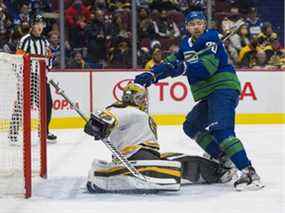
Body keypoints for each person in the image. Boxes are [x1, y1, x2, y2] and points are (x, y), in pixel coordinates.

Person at [133, 11, 264, 191]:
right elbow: (171, 62)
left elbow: (206, 69)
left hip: (223, 88)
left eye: (199, 23)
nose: (196, 26)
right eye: (192, 23)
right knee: (191, 126)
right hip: (209, 93)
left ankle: (249, 172)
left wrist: (182, 67)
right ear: (187, 27)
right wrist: (153, 74)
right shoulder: (186, 44)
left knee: (222, 131)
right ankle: (224, 160)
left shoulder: (211, 39)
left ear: (204, 25)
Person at [83, 83, 233, 193]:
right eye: (139, 98)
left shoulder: (133, 111)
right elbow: (106, 116)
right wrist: (96, 125)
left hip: (146, 154)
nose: (144, 101)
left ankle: (216, 171)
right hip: (136, 155)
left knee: (183, 157)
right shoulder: (125, 109)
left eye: (144, 98)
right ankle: (218, 173)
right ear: (129, 98)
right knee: (178, 167)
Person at [9, 14, 57, 143]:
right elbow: (18, 59)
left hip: (41, 76)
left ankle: (44, 132)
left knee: (47, 104)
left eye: (42, 24)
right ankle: (13, 132)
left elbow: (49, 58)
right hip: (28, 76)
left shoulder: (45, 41)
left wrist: (49, 63)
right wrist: (21, 77)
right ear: (32, 25)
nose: (40, 27)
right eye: (37, 24)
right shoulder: (25, 40)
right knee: (22, 104)